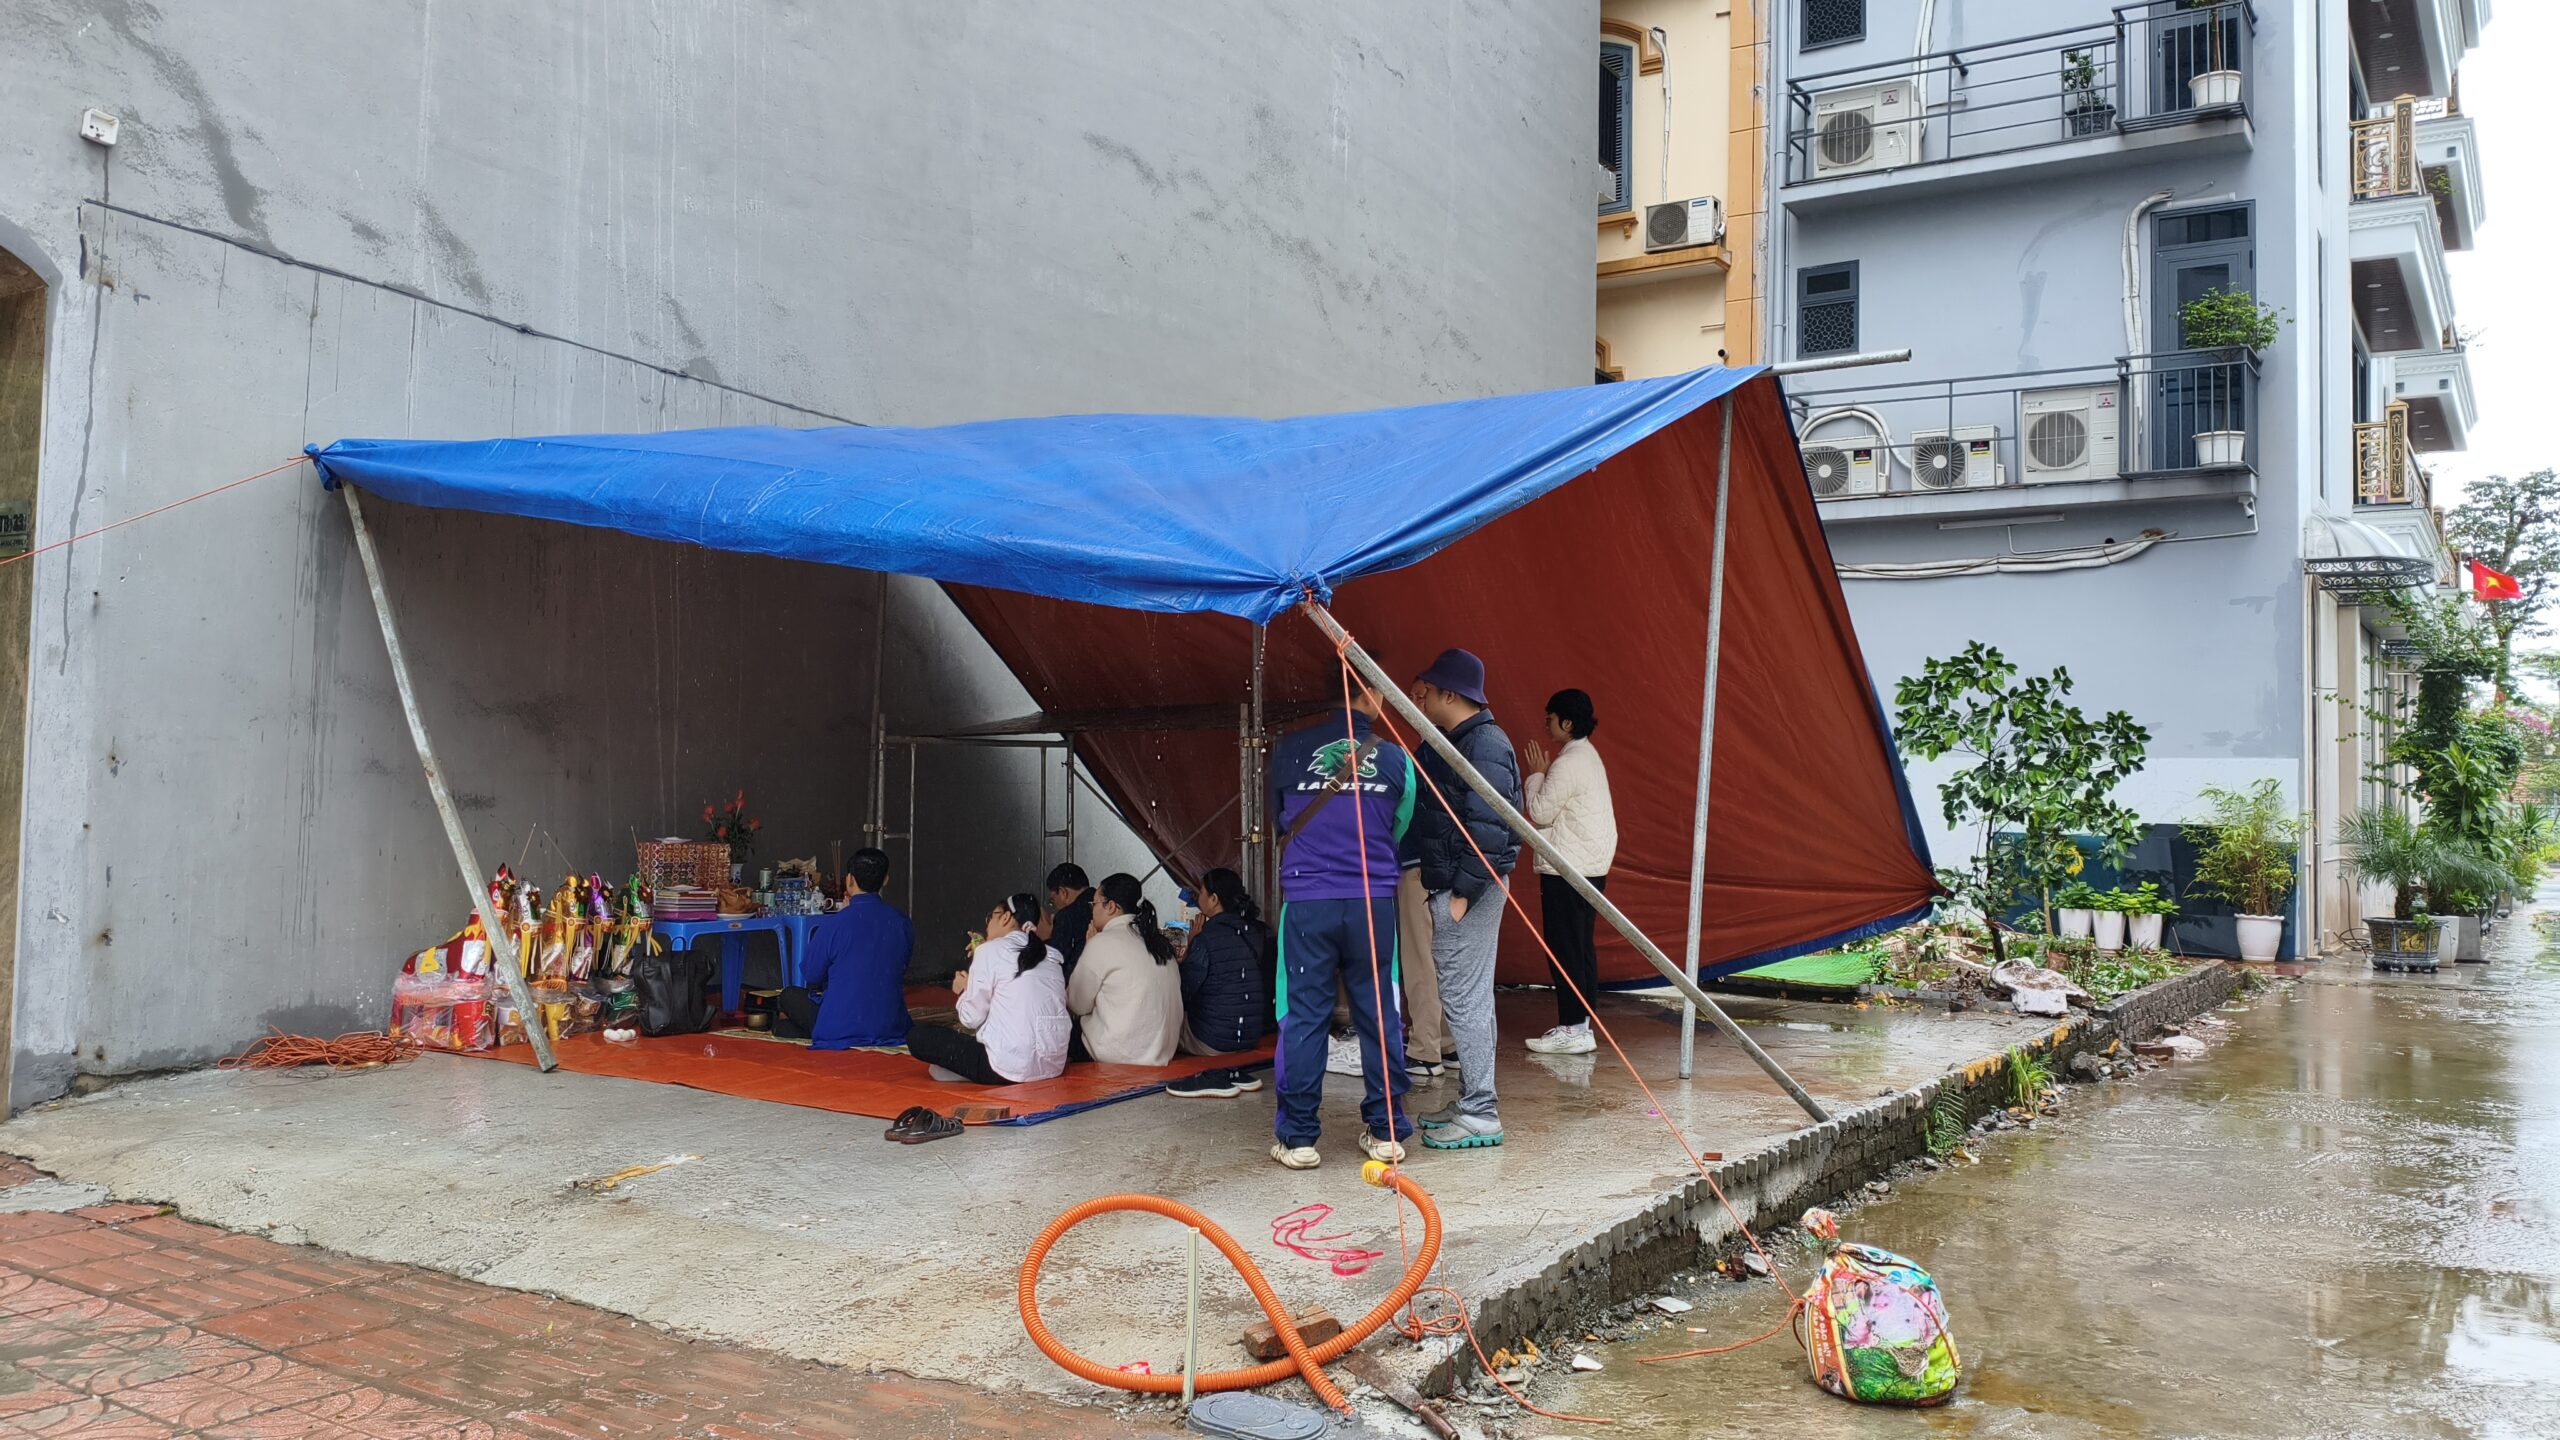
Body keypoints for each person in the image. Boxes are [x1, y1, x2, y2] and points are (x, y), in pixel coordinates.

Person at [1267, 682, 1417, 1170]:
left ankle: (1298, 1139)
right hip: (1372, 903)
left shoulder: (1288, 750)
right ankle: (1386, 1131)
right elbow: (1399, 826)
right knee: (1379, 1012)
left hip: (1307, 901)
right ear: (1369, 692)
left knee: (1304, 1014)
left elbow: (1279, 820)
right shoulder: (1396, 759)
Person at [1406, 647, 1521, 1151]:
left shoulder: (1485, 744)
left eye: (1428, 691)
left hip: (1468, 890)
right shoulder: (1457, 740)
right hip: (1460, 886)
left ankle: (1480, 1112)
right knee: (1468, 996)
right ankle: (1474, 1098)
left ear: (1450, 695)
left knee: (1464, 997)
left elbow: (1492, 827)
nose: (1422, 697)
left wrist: (1463, 895)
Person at [1523, 689, 1619, 1056]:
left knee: (1565, 950)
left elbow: (1540, 812)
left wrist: (1536, 775)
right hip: (1587, 867)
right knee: (1580, 948)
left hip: (1567, 869)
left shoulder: (1569, 763)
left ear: (1566, 723)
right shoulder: (1586, 756)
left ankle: (1573, 1027)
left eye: (1550, 718)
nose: (1545, 724)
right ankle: (1580, 1025)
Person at [906, 893, 1070, 1085]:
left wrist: (963, 990)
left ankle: (969, 1072)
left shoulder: (990, 951)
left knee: (918, 1037)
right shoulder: (1051, 956)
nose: (988, 924)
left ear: (1005, 917)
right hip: (1051, 1067)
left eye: (991, 917)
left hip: (1007, 1069)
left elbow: (971, 1018)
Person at [775, 848, 914, 1049]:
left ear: (849, 880)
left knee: (788, 997)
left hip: (841, 1024)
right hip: (890, 1025)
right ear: (885, 880)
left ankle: (792, 1029)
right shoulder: (902, 922)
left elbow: (812, 974)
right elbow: (899, 967)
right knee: (788, 1022)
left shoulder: (835, 924)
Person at [1166, 868, 1275, 1099]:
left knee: (1166, 1014)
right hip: (1249, 1036)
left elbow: (1183, 991)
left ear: (1214, 899)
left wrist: (1190, 947)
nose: (1198, 898)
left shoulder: (1207, 938)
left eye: (1201, 892)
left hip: (1213, 1042)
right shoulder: (1254, 932)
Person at [1065, 872, 1187, 1067]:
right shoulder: (1160, 943)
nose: (1092, 911)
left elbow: (1076, 1004)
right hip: (1163, 1052)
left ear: (1111, 906)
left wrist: (1089, 947)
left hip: (1117, 1056)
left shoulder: (1102, 943)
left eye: (1094, 904)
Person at [1041, 863, 1096, 972]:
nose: (1054, 906)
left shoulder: (1066, 917)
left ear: (1063, 892)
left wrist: (1046, 938)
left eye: (1052, 900)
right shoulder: (1102, 905)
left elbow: (1057, 964)